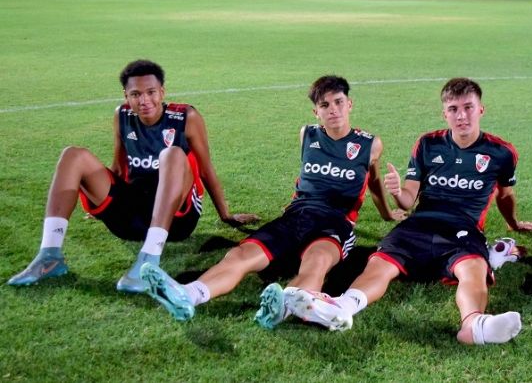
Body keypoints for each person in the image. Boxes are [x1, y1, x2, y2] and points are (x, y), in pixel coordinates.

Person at [285, 78, 532, 345]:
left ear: (481, 109)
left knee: (473, 266)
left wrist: (513, 223)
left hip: (463, 227)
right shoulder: (427, 144)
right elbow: (408, 201)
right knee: (380, 262)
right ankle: (343, 307)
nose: (461, 115)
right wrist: (397, 191)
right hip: (418, 223)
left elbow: (505, 194)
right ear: (445, 113)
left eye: (468, 107)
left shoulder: (502, 152)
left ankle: (474, 324)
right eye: (453, 109)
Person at [139, 75, 403, 324]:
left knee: (317, 262)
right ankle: (189, 295)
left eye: (338, 102)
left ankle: (283, 309)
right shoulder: (307, 135)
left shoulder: (370, 144)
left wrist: (387, 213)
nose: (333, 109)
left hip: (335, 224)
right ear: (316, 112)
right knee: (240, 254)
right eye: (325, 105)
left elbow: (374, 180)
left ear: (349, 104)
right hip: (295, 216)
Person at [7, 59, 258, 293]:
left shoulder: (186, 117)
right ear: (126, 96)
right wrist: (102, 199)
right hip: (133, 214)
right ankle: (50, 256)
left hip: (176, 221)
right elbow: (119, 166)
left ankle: (149, 261)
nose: (144, 100)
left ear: (162, 92)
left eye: (151, 92)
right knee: (73, 155)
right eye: (136, 94)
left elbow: (205, 170)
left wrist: (226, 215)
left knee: (172, 154)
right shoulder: (123, 115)